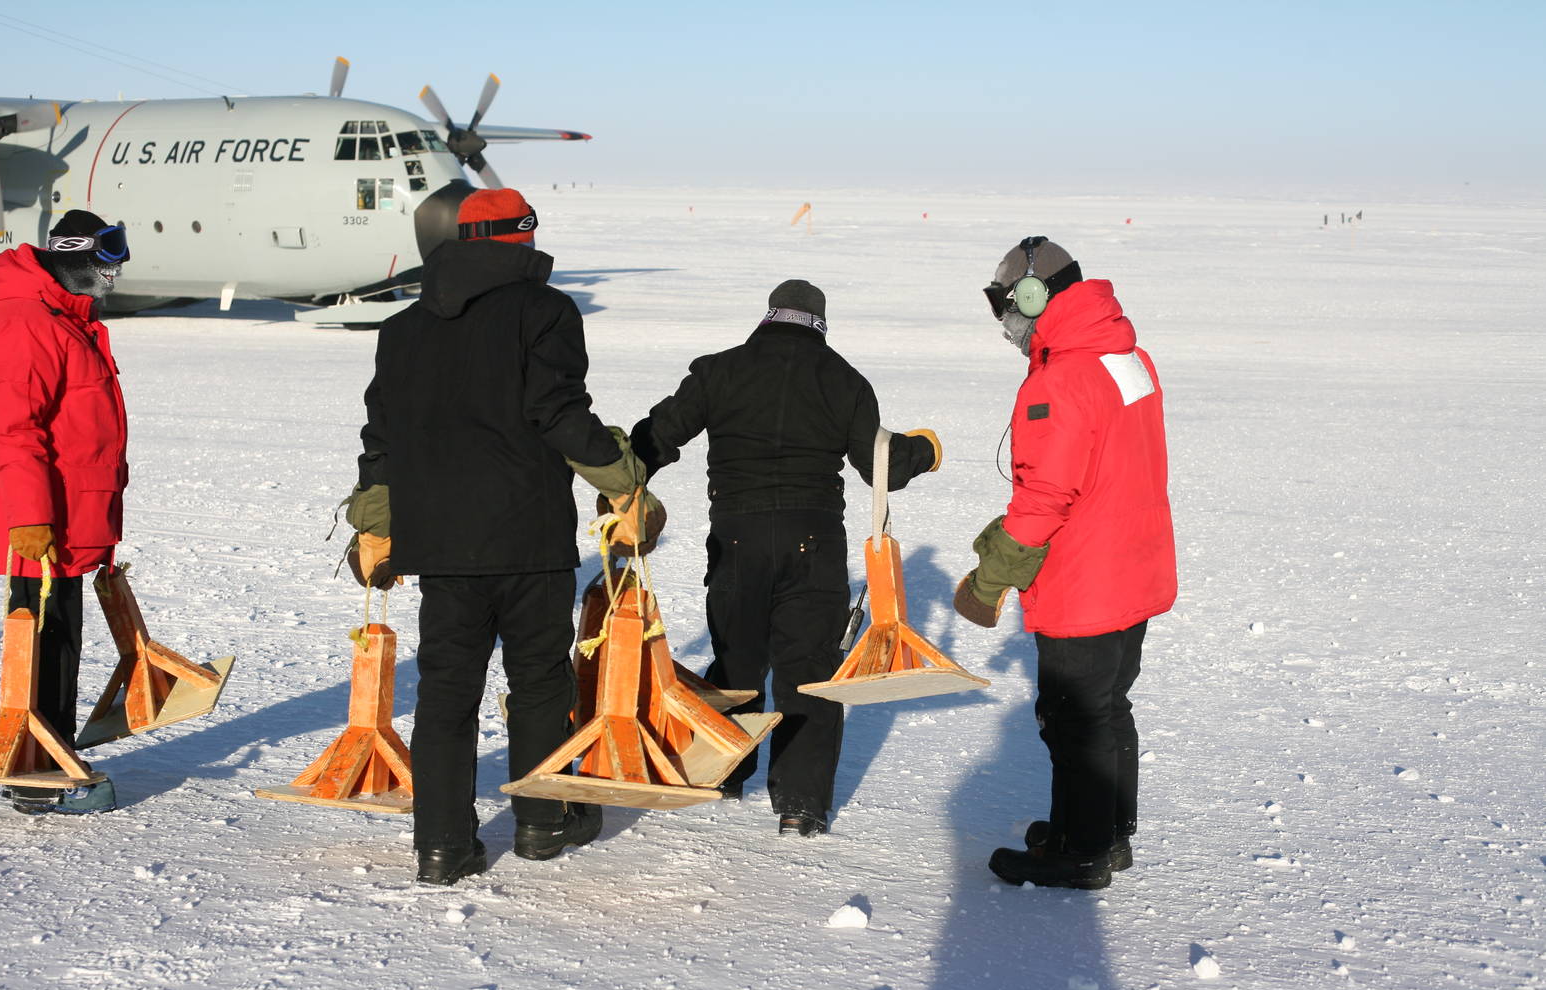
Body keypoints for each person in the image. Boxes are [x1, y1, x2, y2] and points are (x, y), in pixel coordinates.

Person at [345, 188, 659, 886]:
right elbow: (557, 411)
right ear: (522, 240)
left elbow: (381, 440)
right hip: (526, 535)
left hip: (441, 546)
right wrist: (621, 479)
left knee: (447, 691)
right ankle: (543, 822)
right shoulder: (545, 310)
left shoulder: (400, 330)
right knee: (539, 680)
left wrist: (375, 523)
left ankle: (440, 845)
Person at [628, 280, 942, 836]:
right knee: (809, 669)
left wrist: (623, 478)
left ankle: (724, 771)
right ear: (820, 324)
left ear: (770, 316)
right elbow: (881, 467)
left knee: (737, 659)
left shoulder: (720, 370)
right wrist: (925, 449)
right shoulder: (843, 379)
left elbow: (659, 435)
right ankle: (800, 805)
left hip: (737, 539)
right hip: (814, 542)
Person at [956, 237, 1176, 889]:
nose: (1004, 323)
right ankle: (1106, 832)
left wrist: (985, 581)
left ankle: (1079, 853)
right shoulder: (1126, 357)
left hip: (1086, 582)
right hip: (1135, 567)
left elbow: (1045, 496)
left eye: (1005, 306)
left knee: (1074, 718)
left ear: (1032, 297)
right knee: (1108, 706)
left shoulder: (1058, 379)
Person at [0, 209, 132, 814]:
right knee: (41, 644)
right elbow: (11, 430)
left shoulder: (68, 322)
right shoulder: (25, 323)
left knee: (61, 641)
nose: (116, 273)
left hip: (71, 515)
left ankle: (49, 756)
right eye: (108, 258)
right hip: (40, 523)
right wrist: (29, 517)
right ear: (77, 256)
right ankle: (36, 780)